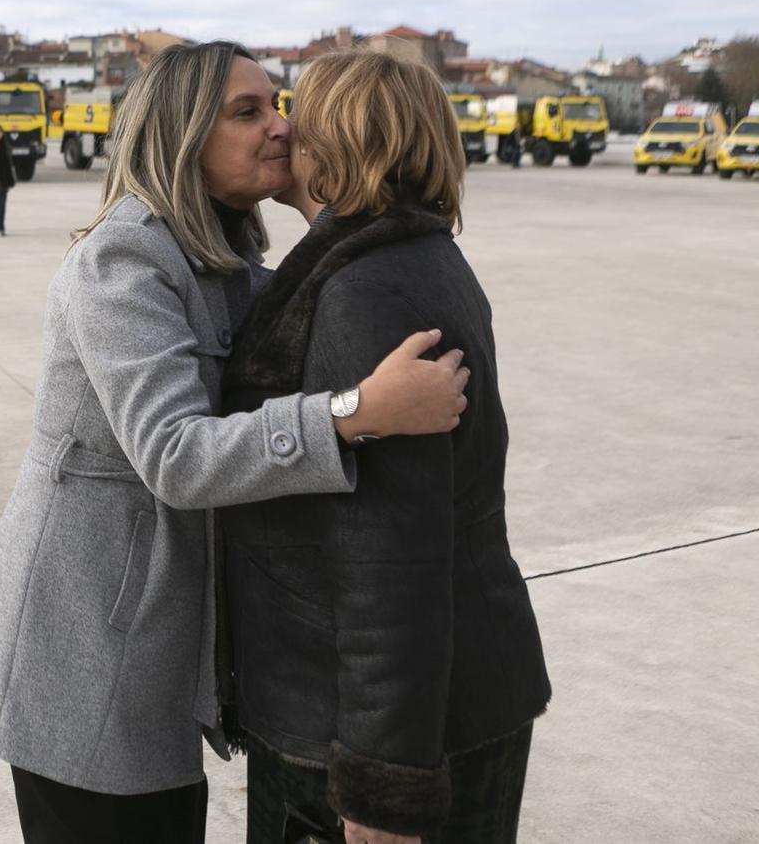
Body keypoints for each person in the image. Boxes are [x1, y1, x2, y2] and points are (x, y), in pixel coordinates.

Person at [0, 42, 470, 843]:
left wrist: (313, 194)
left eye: (279, 106)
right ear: (183, 134)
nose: (282, 128)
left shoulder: (226, 264)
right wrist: (357, 409)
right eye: (248, 111)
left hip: (150, 650)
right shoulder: (122, 263)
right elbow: (177, 456)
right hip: (87, 653)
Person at [218, 49, 549, 844]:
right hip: (457, 692)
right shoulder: (417, 256)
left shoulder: (360, 292)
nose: (283, 128)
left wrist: (381, 779)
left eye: (301, 113)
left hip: (365, 726)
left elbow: (387, 555)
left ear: (339, 142)